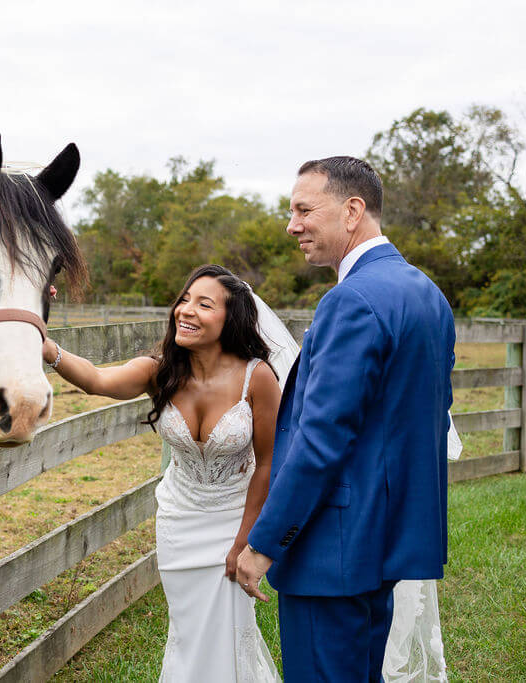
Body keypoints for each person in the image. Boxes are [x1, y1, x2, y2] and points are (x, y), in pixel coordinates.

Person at [236, 157, 456, 682]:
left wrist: (264, 543)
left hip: (330, 548)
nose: (292, 225)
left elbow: (321, 439)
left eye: (304, 209)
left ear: (353, 210)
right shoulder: (427, 293)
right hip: (385, 539)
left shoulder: (351, 300)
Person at [42, 264, 287, 682]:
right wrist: (48, 348)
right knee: (189, 634)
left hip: (232, 522)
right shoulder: (161, 371)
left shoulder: (257, 378)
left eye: (204, 304)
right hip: (179, 522)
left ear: (232, 319)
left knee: (228, 633)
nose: (185, 311)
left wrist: (246, 542)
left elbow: (268, 463)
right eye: (184, 300)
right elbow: (98, 381)